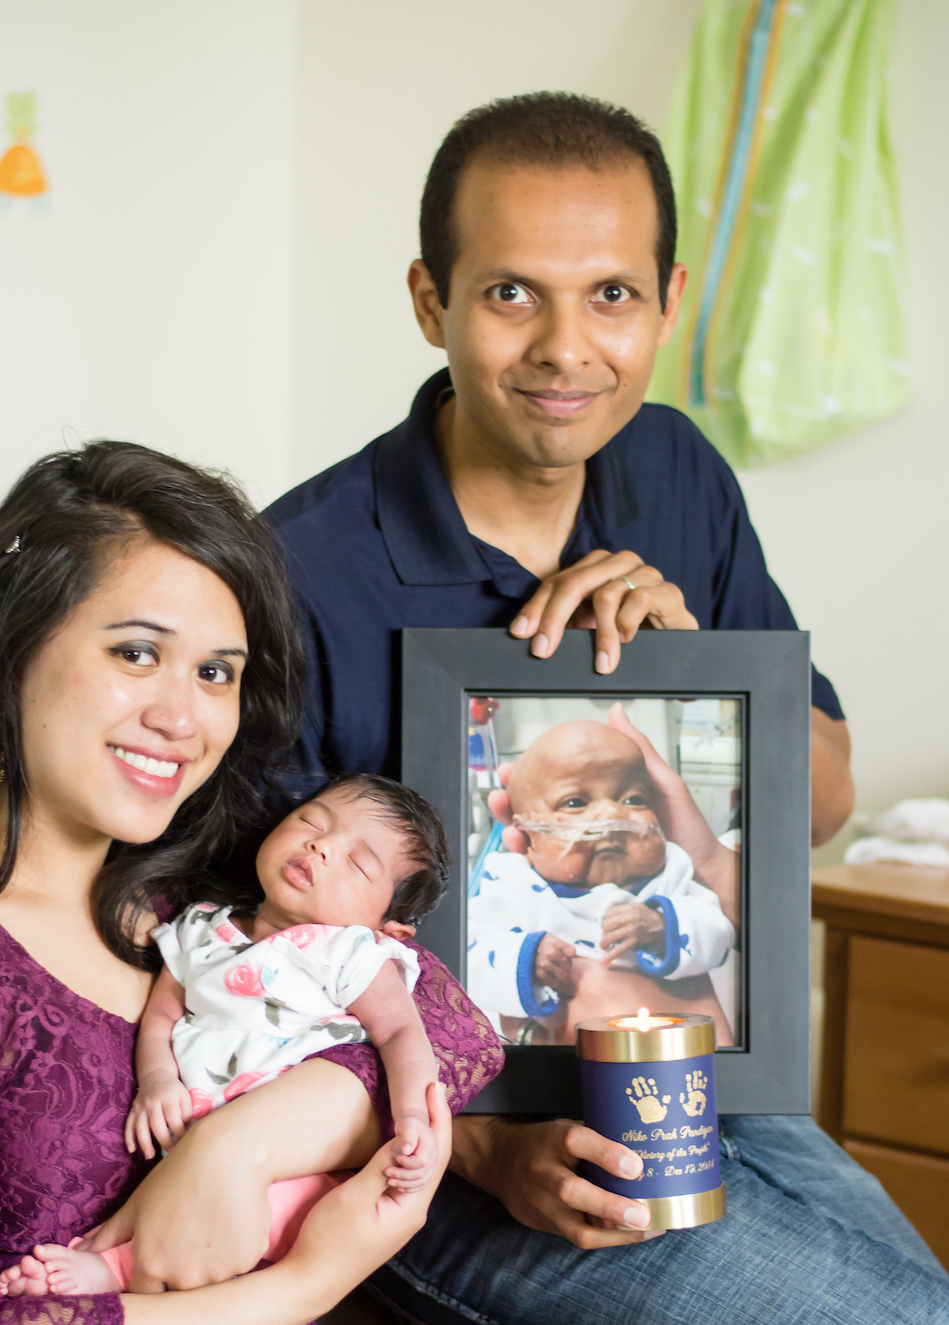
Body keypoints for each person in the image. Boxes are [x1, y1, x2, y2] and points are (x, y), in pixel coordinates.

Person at [262, 93, 948, 1322]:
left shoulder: (678, 469)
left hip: (700, 1079)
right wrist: (477, 1146)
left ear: (670, 301)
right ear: (432, 300)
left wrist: (699, 671)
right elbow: (232, 953)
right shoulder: (298, 573)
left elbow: (823, 807)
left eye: (613, 295)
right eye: (512, 292)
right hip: (443, 1145)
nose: (567, 348)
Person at [0, 441, 502, 1324]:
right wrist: (297, 1285)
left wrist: (234, 1149)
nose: (182, 718)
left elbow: (456, 1029)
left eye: (216, 673)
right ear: (9, 648)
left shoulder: (203, 879)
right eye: (137, 653)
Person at [0, 773, 456, 1298]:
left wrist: (413, 1119)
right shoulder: (200, 928)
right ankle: (104, 1249)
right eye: (312, 821)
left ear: (388, 928)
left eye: (357, 862)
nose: (321, 846)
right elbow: (162, 1016)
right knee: (172, 1192)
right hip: (193, 1131)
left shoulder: (351, 952)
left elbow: (402, 1033)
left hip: (292, 1158)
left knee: (272, 1211)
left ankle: (113, 1269)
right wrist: (156, 1081)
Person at [467, 719, 735, 1040]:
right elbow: (469, 955)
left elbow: (717, 934)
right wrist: (527, 957)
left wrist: (660, 927)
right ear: (527, 831)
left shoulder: (670, 875)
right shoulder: (511, 881)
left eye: (633, 799)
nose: (611, 815)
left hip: (668, 1051)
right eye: (575, 802)